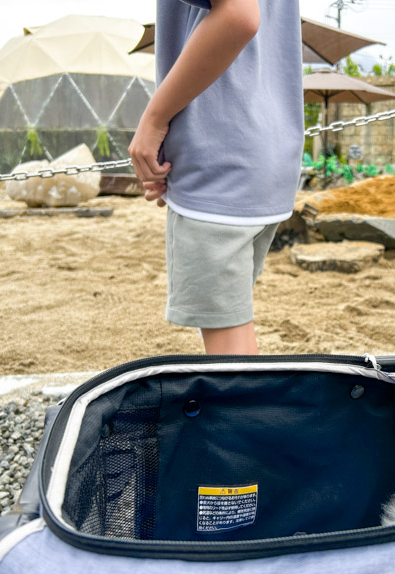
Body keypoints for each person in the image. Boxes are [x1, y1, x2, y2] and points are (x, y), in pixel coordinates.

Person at [128, 0, 304, 354]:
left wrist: (154, 120)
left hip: (219, 157)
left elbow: (238, 15)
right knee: (235, 331)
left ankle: (245, 412)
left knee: (230, 355)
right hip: (266, 155)